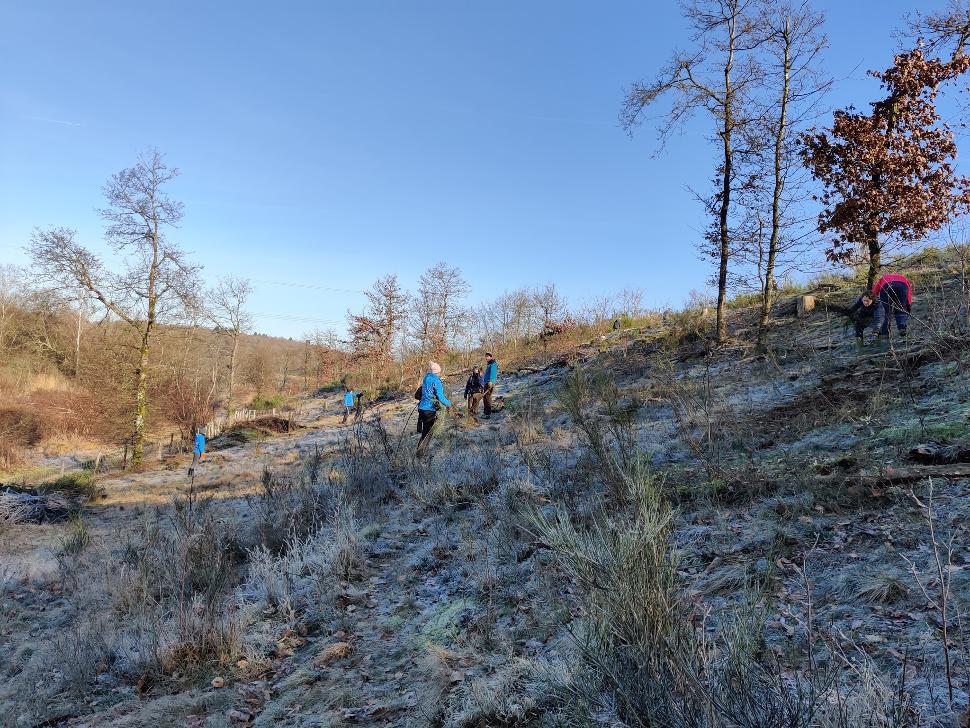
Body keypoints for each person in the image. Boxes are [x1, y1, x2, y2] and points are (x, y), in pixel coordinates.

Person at [416, 361, 451, 456]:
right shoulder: (436, 380)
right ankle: (420, 454)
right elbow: (440, 396)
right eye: (439, 371)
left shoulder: (426, 378)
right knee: (427, 434)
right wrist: (449, 404)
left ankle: (421, 452)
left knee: (425, 432)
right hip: (429, 409)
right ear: (437, 371)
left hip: (421, 408)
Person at [872, 273, 913, 343]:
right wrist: (908, 305)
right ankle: (902, 328)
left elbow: (875, 291)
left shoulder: (883, 277)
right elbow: (909, 293)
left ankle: (885, 334)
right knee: (900, 309)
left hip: (886, 286)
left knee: (886, 312)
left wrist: (872, 300)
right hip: (902, 286)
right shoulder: (903, 278)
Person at [482, 353, 498, 419]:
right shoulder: (489, 364)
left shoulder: (493, 363)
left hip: (489, 383)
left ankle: (488, 414)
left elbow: (493, 373)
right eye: (486, 357)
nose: (486, 358)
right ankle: (485, 412)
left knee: (488, 398)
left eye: (488, 357)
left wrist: (491, 382)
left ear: (491, 357)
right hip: (486, 383)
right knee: (485, 398)